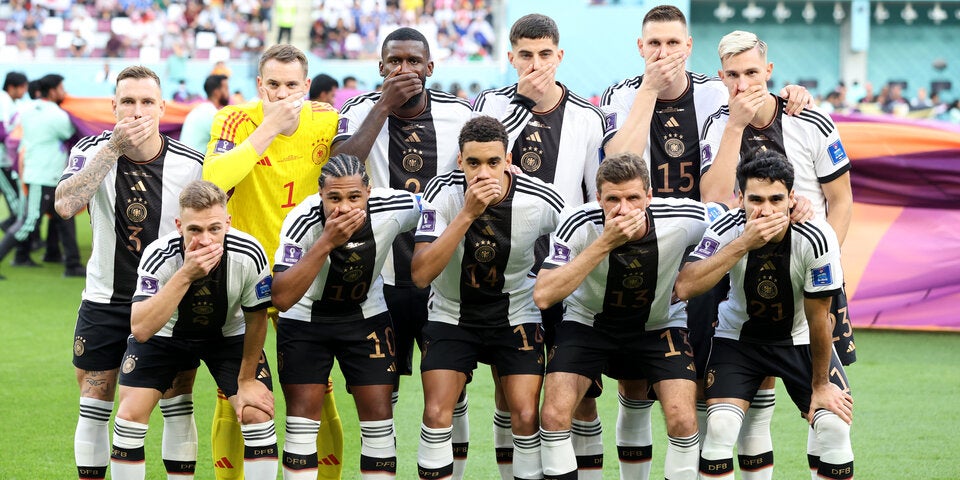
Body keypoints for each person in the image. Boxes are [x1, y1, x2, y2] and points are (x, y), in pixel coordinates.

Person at [599, 8, 812, 478]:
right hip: (639, 245)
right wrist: (649, 91)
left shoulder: (716, 91)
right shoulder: (621, 93)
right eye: (654, 44)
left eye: (673, 43)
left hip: (708, 247)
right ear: (640, 47)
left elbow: (759, 102)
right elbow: (619, 161)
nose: (664, 53)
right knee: (633, 382)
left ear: (689, 46)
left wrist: (792, 94)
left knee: (713, 372)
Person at [698, 30, 855, 478]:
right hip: (742, 273)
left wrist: (822, 260)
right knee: (750, 405)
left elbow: (841, 200)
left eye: (752, 72)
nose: (743, 84)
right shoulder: (717, 125)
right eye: (733, 75)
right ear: (721, 77)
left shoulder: (811, 119)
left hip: (810, 272)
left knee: (828, 410)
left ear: (768, 71)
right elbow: (714, 199)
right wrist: (734, 126)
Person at [332, 26, 474, 476]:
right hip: (379, 279)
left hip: (442, 281)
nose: (404, 69)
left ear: (430, 67)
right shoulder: (358, 110)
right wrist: (383, 107)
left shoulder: (458, 114)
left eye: (414, 61)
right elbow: (340, 170)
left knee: (452, 394)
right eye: (394, 61)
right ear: (380, 67)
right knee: (381, 395)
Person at [471, 14, 606, 479]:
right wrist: (521, 102)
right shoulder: (490, 104)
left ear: (559, 56)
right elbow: (472, 167)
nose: (535, 64)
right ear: (511, 57)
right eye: (525, 55)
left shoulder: (587, 116)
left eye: (545, 54)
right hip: (504, 272)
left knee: (580, 394)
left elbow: (594, 198)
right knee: (512, 393)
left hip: (565, 274)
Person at [54, 65, 204, 480]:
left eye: (146, 102)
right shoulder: (92, 150)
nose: (137, 112)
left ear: (162, 107)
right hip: (104, 300)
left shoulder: (191, 164)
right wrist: (113, 149)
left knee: (177, 402)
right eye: (128, 102)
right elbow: (65, 205)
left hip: (167, 304)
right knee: (93, 403)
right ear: (114, 107)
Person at [535, 152, 723, 480]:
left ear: (649, 196)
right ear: (598, 199)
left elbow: (729, 216)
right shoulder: (578, 222)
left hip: (659, 325)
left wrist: (795, 209)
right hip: (588, 324)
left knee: (682, 419)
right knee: (552, 416)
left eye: (633, 198)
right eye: (613, 199)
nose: (623, 209)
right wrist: (605, 243)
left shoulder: (682, 216)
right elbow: (544, 294)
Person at [202, 43, 343, 480]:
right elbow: (213, 180)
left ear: (307, 85)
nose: (282, 95)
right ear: (259, 84)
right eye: (273, 86)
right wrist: (268, 129)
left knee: (316, 390)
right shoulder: (234, 119)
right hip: (244, 275)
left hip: (303, 275)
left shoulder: (328, 120)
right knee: (235, 392)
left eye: (292, 86)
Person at [674, 151, 854, 480]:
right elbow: (685, 286)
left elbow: (819, 317)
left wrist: (820, 385)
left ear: (791, 198)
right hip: (738, 341)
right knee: (720, 426)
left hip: (799, 339)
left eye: (776, 199)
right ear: (740, 198)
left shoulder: (817, 236)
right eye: (756, 199)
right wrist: (744, 243)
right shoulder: (726, 228)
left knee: (834, 425)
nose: (766, 210)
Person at [411, 116, 564, 480]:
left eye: (493, 162)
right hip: (451, 313)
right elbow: (420, 274)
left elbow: (580, 233)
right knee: (435, 413)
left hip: (516, 313)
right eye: (473, 163)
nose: (483, 173)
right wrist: (468, 213)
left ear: (508, 160)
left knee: (524, 413)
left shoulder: (540, 197)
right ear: (459, 162)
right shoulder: (442, 192)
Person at [110, 180, 277, 480]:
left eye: (214, 228)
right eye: (195, 230)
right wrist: (186, 274)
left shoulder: (249, 252)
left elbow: (257, 318)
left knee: (257, 412)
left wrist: (247, 380)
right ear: (179, 227)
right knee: (129, 416)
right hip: (165, 336)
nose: (206, 239)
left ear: (228, 223)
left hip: (228, 335)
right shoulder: (159, 255)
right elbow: (141, 328)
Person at [271, 154, 421, 479]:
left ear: (368, 191)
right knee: (301, 422)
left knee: (379, 419)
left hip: (366, 316)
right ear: (320, 195)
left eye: (354, 197)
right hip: (305, 319)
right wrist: (326, 241)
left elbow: (439, 206)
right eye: (334, 198)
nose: (344, 207)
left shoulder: (393, 206)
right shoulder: (301, 220)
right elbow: (281, 297)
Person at [0, 74, 83, 276]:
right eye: (61, 88)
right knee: (28, 222)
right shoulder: (57, 115)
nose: (64, 92)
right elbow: (71, 132)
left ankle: (71, 264)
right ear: (53, 91)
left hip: (39, 172)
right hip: (44, 176)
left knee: (65, 218)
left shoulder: (28, 109)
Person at [0, 72, 28, 236]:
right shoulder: (3, 100)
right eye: (23, 87)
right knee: (16, 202)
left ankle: (17, 234)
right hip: (2, 160)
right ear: (12, 87)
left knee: (17, 200)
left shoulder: (14, 103)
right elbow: (1, 131)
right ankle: (19, 240)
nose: (25, 91)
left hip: (8, 160)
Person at [180, 74, 230, 154]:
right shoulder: (212, 114)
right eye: (226, 88)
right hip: (194, 161)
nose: (228, 93)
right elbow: (229, 144)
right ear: (216, 92)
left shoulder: (201, 109)